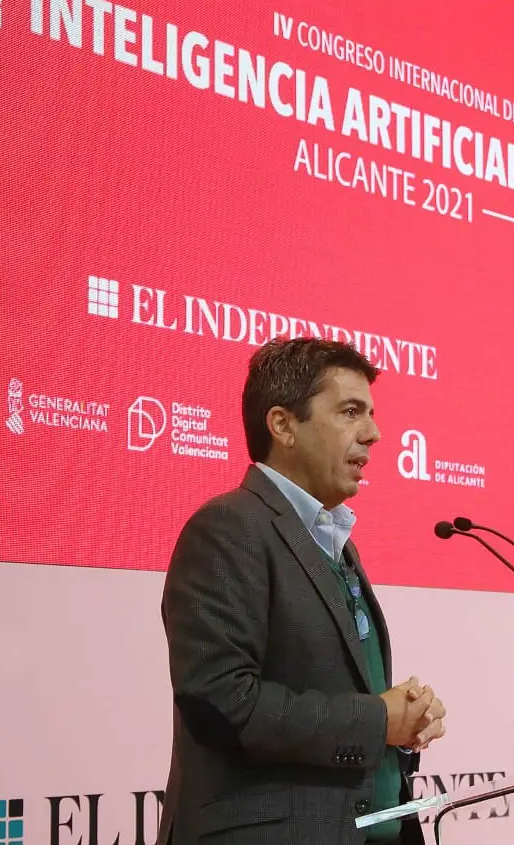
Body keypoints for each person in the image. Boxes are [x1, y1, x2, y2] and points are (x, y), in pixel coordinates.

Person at [156, 337, 445, 845]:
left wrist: (404, 725)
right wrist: (378, 719)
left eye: (371, 414)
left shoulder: (334, 542)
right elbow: (220, 701)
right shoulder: (228, 527)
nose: (373, 433)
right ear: (283, 425)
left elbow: (340, 702)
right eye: (350, 412)